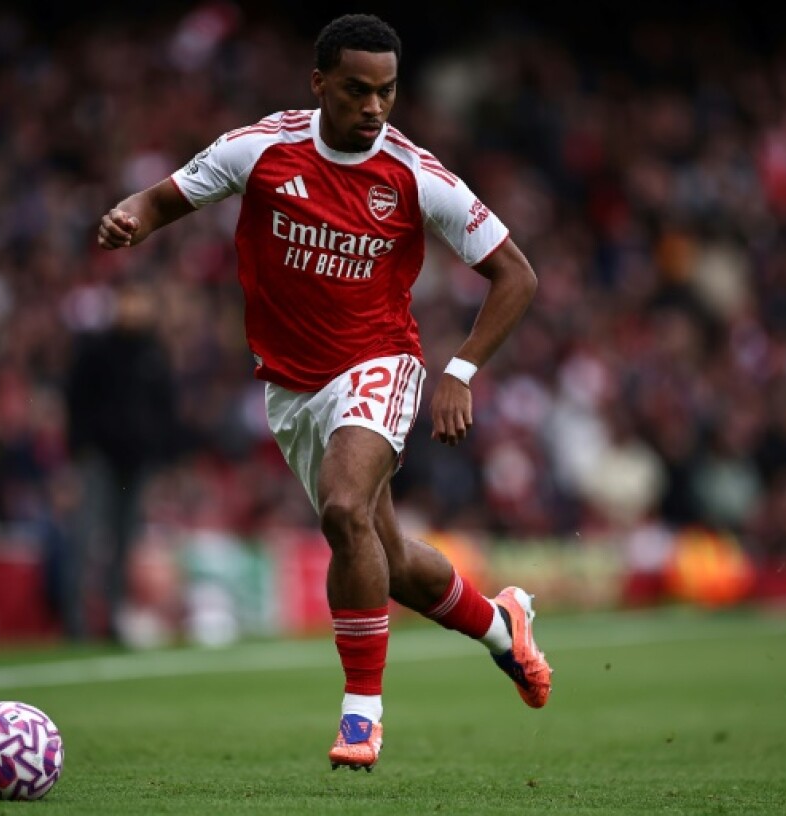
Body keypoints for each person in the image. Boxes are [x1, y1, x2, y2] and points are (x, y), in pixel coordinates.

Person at [96, 13, 550, 771]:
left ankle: (361, 716)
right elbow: (164, 198)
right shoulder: (261, 147)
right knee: (388, 556)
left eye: (388, 91)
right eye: (357, 90)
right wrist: (129, 220)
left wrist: (460, 370)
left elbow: (517, 276)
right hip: (293, 387)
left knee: (344, 508)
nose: (374, 107)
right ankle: (503, 626)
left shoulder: (416, 175)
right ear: (319, 84)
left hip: (381, 361)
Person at [62, 277, 184, 642]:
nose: (134, 309)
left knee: (124, 542)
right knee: (84, 539)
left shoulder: (154, 354)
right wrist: (79, 449)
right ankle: (75, 620)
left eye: (140, 301)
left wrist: (162, 459)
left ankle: (112, 616)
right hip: (98, 458)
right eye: (129, 300)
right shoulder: (97, 350)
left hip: (137, 463)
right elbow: (76, 400)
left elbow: (166, 411)